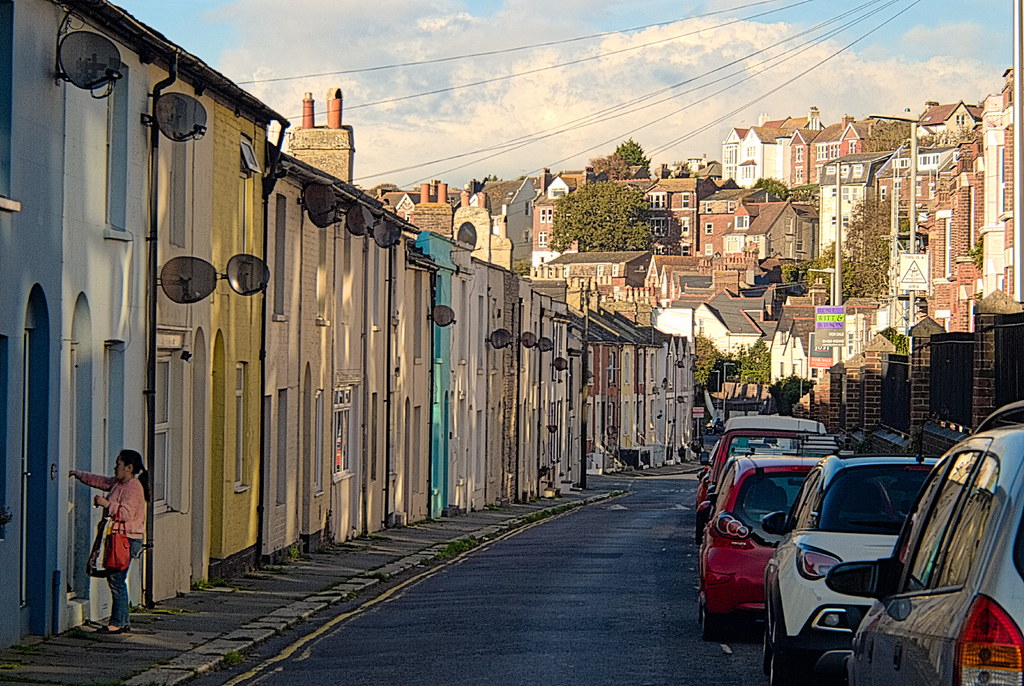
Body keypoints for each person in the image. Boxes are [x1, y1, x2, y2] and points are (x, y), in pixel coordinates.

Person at [70, 449, 149, 634]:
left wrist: (107, 505)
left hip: (127, 538)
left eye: (118, 464)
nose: (115, 468)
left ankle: (117, 623)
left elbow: (126, 514)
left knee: (116, 580)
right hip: (122, 537)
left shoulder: (133, 487)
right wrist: (78, 474)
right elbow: (101, 481)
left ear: (129, 468)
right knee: (118, 579)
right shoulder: (120, 483)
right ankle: (123, 620)